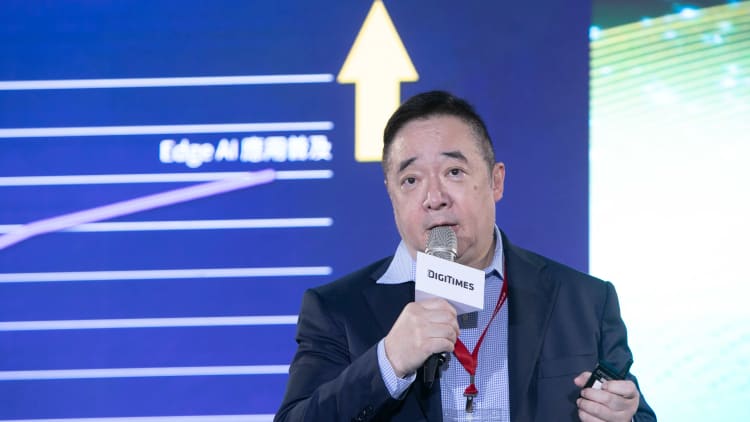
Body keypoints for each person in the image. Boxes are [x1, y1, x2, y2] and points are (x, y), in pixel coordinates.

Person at [275, 91, 656, 421]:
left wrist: (623, 417)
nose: (434, 197)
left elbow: (636, 413)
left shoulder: (585, 300)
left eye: (454, 171)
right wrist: (388, 362)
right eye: (411, 180)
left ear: (496, 181)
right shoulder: (337, 309)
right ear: (391, 195)